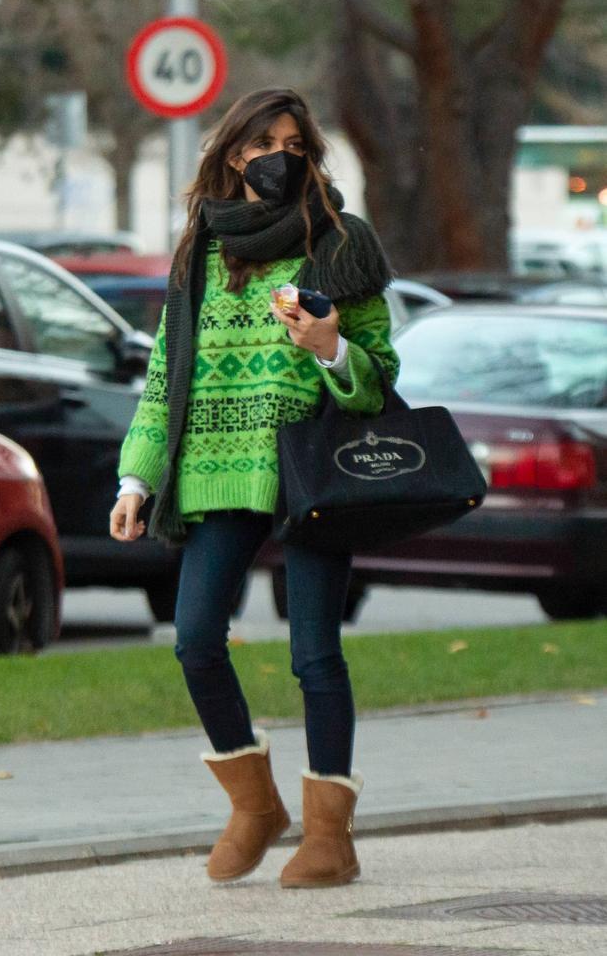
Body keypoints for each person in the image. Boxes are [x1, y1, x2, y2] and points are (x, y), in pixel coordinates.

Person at [109, 87, 399, 889]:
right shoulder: (199, 249)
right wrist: (137, 477)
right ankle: (254, 806)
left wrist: (331, 347)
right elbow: (167, 378)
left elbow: (381, 377)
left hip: (314, 473)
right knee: (196, 638)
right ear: (234, 153)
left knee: (315, 655)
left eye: (296, 142)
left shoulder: (341, 242)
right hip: (214, 471)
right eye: (265, 141)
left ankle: (330, 837)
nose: (283, 154)